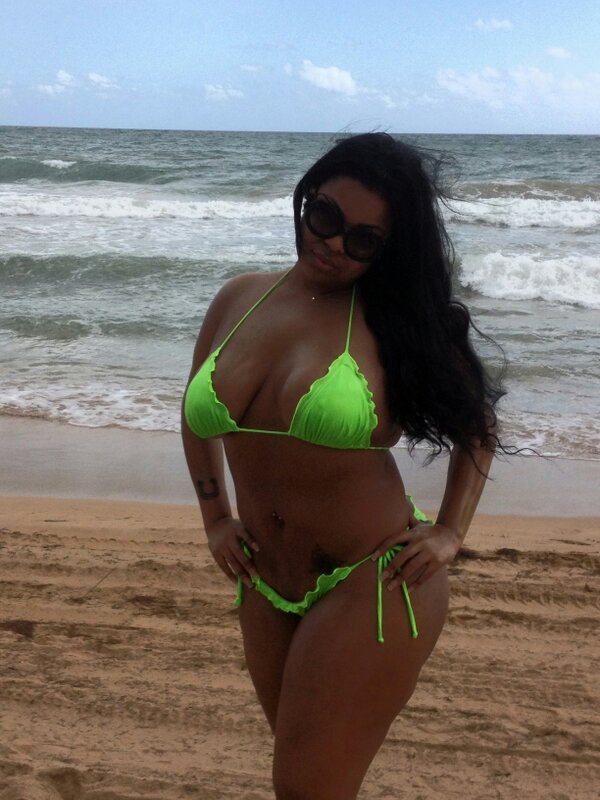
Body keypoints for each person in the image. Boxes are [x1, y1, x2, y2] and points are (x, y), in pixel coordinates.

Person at [182, 133, 502, 799]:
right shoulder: (239, 298)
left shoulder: (395, 324)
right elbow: (193, 414)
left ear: (388, 250)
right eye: (324, 215)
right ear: (307, 198)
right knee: (310, 783)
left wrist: (449, 532)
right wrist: (215, 517)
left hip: (372, 580)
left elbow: (477, 427)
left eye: (362, 240)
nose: (331, 243)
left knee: (305, 789)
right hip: (265, 581)